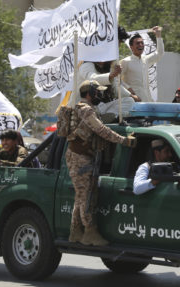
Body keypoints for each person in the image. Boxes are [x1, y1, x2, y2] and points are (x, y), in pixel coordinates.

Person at [64, 80, 136, 245]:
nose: (100, 95)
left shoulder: (87, 109)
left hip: (81, 156)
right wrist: (123, 140)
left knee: (80, 196)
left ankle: (75, 231)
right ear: (89, 94)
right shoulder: (86, 110)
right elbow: (101, 130)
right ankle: (90, 232)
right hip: (79, 157)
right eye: (98, 92)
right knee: (86, 196)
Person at [120, 26, 164, 102]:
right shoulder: (125, 62)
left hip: (147, 100)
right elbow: (117, 80)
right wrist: (128, 89)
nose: (140, 45)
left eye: (142, 43)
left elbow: (159, 53)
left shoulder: (146, 59)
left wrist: (158, 36)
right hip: (133, 100)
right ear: (131, 47)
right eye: (137, 43)